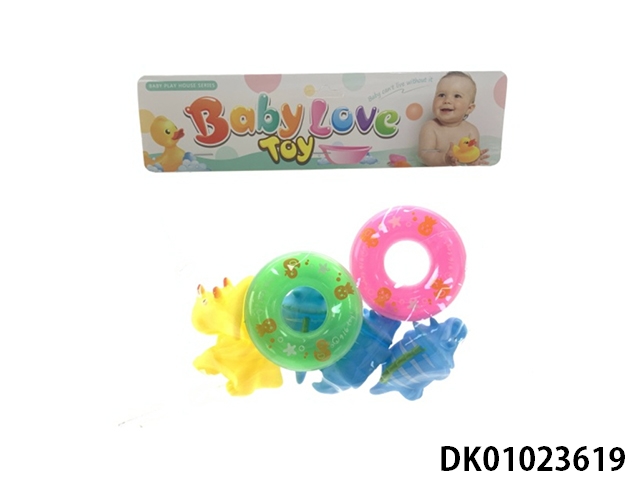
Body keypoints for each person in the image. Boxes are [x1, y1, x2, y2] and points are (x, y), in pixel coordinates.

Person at [419, 72, 489, 166]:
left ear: (469, 108)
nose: (447, 100)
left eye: (457, 96)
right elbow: (424, 155)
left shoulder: (471, 131)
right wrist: (444, 159)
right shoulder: (430, 128)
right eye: (441, 95)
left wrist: (474, 161)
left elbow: (472, 154)